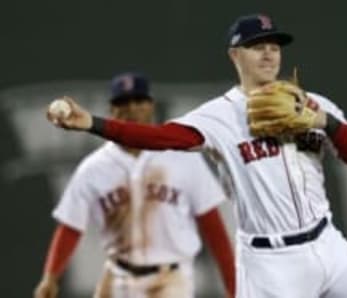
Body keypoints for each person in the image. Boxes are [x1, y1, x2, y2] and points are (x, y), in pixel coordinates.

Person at [46, 14, 347, 298]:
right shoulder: (220, 116)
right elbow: (162, 137)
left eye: (274, 47)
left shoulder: (312, 104)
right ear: (235, 55)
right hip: (270, 263)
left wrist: (325, 122)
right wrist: (92, 123)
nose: (269, 54)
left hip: (329, 243)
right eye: (257, 47)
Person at [36, 73, 235, 298]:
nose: (132, 109)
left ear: (151, 106)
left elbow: (213, 226)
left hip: (170, 279)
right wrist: (50, 276)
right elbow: (70, 227)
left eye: (139, 101)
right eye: (123, 102)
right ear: (111, 109)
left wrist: (232, 284)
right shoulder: (93, 168)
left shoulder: (183, 159)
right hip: (118, 276)